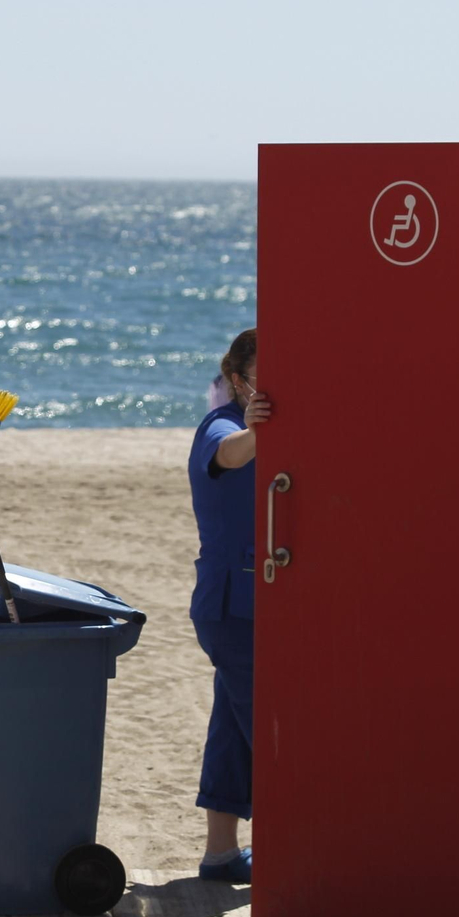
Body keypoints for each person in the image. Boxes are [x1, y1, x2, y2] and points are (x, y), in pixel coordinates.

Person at [187, 328, 271, 884]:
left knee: (232, 729)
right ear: (239, 381)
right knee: (267, 730)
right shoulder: (222, 425)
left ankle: (221, 854)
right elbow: (228, 454)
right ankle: (291, 852)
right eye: (266, 371)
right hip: (232, 610)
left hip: (248, 606)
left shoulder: (273, 424)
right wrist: (259, 432)